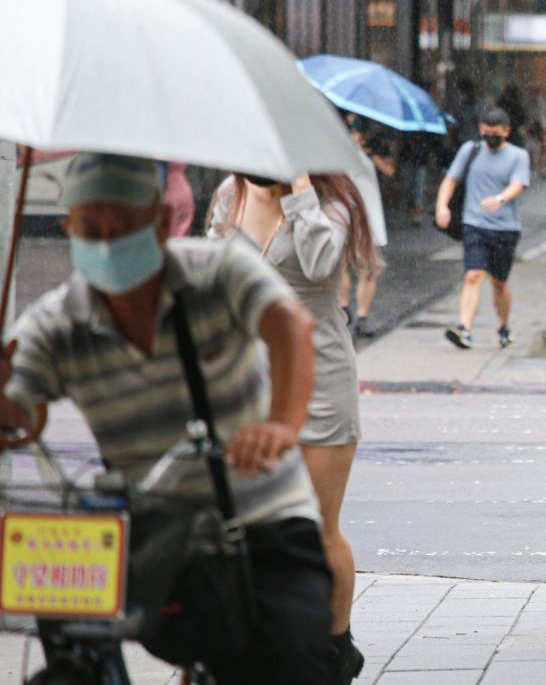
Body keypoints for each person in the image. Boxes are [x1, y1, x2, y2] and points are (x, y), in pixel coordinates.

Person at [0, 153, 333, 683]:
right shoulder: (57, 321)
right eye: (93, 227)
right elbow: (23, 417)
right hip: (152, 537)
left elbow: (288, 324)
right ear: (69, 228)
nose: (108, 241)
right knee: (67, 647)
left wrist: (282, 425)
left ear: (160, 220)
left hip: (262, 523)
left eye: (124, 225)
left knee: (287, 663)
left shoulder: (219, 268)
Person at [208, 169, 378, 684]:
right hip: (249, 383)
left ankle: (335, 646)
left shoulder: (331, 200)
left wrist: (300, 190)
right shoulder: (230, 193)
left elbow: (322, 262)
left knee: (319, 530)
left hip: (321, 378)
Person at [435, 106, 531, 350]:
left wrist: (500, 199)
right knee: (473, 275)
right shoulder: (471, 150)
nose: (490, 137)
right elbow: (451, 179)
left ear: (506, 131)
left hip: (505, 228)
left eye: (495, 133)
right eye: (486, 132)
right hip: (474, 224)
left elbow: (518, 184)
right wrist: (441, 207)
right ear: (480, 130)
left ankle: (503, 325)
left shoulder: (519, 156)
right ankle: (464, 328)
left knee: (499, 282)